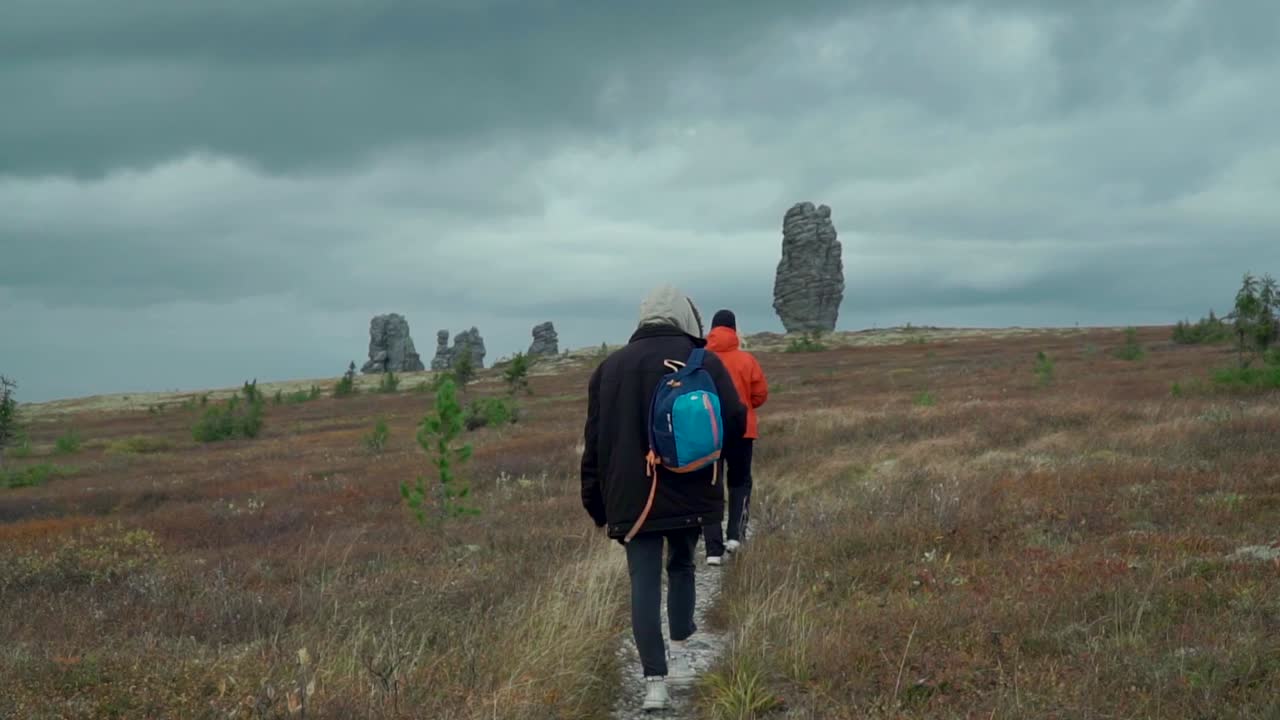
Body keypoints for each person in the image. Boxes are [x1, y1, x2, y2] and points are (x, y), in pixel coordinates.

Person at [581, 284, 747, 712]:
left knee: (643, 581)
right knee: (682, 566)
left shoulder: (609, 368)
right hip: (691, 483)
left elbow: (594, 442)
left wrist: (595, 501)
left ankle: (654, 683)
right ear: (685, 317)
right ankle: (680, 652)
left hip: (630, 495)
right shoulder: (702, 361)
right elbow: (735, 415)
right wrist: (715, 463)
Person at [701, 309, 768, 565]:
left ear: (713, 330)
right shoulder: (746, 360)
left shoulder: (701, 359)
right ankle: (735, 537)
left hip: (708, 432)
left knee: (710, 486)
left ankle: (713, 550)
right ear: (734, 329)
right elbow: (760, 394)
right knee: (740, 482)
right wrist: (746, 407)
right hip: (742, 429)